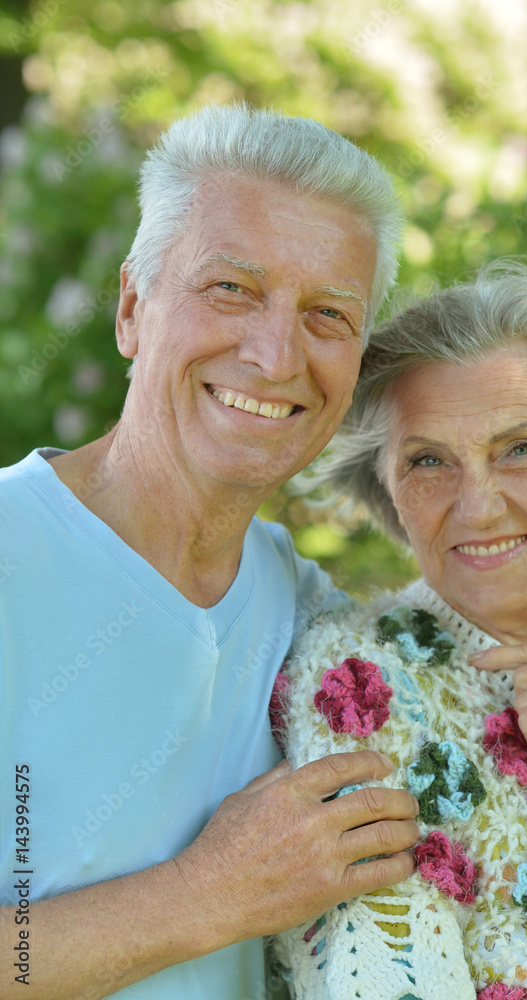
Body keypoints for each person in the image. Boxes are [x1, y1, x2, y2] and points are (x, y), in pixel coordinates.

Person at [0, 103, 422, 999]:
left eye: (327, 315)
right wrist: (206, 895)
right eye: (230, 288)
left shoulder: (308, 616)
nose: (274, 356)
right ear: (130, 309)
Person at [273, 260, 527, 1000]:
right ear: (390, 494)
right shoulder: (362, 683)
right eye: (429, 462)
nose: (478, 506)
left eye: (521, 448)